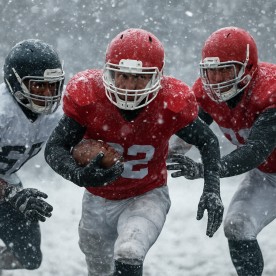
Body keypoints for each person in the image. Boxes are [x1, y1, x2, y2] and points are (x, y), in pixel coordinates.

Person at [44, 28, 224, 276]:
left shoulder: (170, 102)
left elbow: (208, 141)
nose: (129, 86)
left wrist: (212, 189)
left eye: (139, 77)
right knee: (98, 269)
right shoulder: (89, 96)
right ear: (108, 72)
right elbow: (54, 148)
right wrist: (79, 174)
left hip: (146, 195)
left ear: (157, 77)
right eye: (122, 75)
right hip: (97, 198)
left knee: (129, 251)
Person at [167, 26, 276, 276]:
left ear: (248, 68)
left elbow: (255, 151)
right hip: (268, 175)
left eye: (225, 70)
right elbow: (187, 135)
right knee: (238, 226)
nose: (217, 81)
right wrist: (162, 154)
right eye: (212, 72)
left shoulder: (270, 90)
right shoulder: (205, 93)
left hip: (262, 164)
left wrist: (205, 170)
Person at [0, 39, 65, 271]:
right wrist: (10, 193)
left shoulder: (55, 114)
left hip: (6, 182)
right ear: (15, 83)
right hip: (6, 187)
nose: (48, 94)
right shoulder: (3, 111)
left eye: (53, 85)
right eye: (39, 85)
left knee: (29, 257)